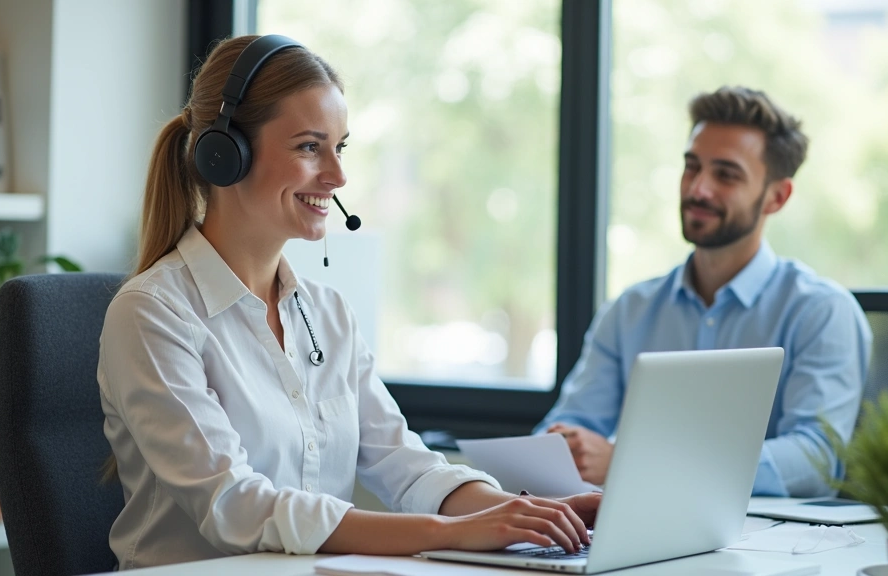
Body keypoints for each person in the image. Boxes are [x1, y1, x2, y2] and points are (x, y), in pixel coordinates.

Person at [97, 35, 599, 569]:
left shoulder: (327, 314)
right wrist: (448, 531)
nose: (337, 177)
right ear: (225, 155)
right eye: (309, 147)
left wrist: (532, 515)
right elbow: (235, 506)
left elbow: (405, 464)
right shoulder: (152, 312)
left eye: (341, 147)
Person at [536, 86, 872, 498]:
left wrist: (632, 462)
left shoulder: (821, 311)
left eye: (726, 175)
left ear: (777, 196)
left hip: (772, 547)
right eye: (691, 167)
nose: (698, 189)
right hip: (640, 530)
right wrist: (557, 450)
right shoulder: (629, 310)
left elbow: (815, 460)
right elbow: (571, 425)